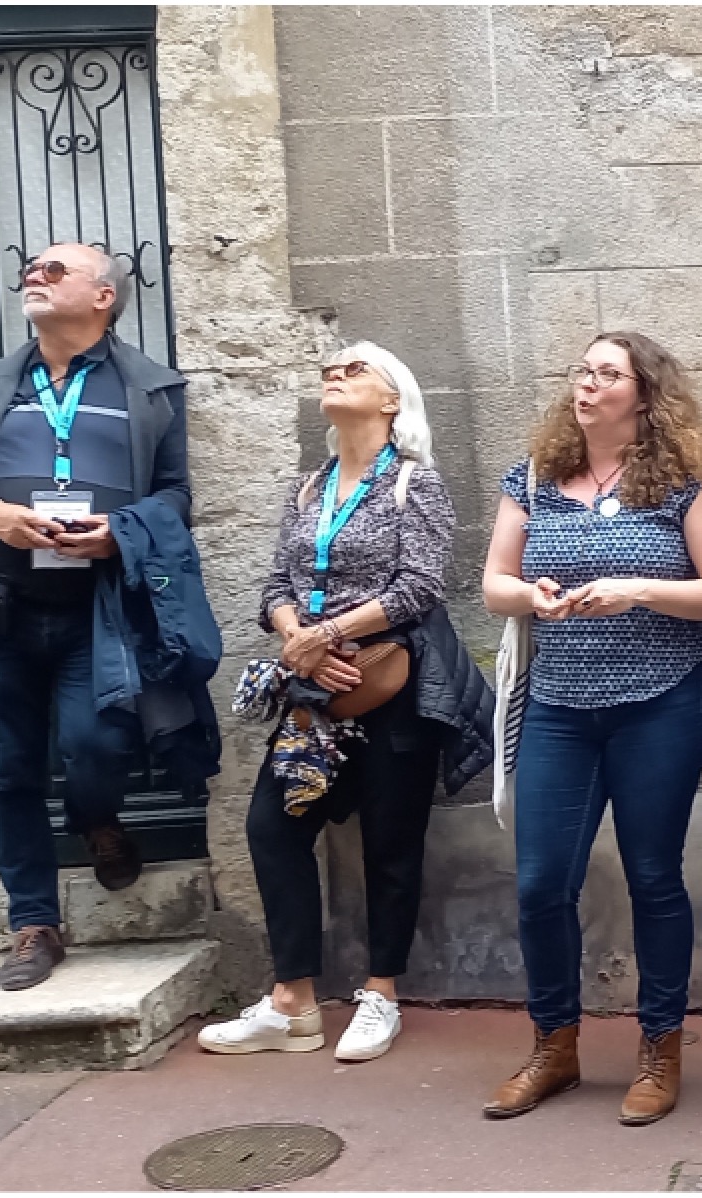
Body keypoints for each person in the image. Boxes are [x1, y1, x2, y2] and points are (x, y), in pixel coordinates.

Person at [0, 242, 202, 991]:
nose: (32, 277)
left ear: (103, 296)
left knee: (95, 745)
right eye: (30, 269)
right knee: (6, 767)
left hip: (97, 613)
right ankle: (34, 922)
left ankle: (97, 818)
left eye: (53, 270)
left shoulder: (150, 389)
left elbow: (176, 497)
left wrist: (121, 532)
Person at [480, 331, 702, 1126]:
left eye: (607, 373)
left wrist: (638, 589)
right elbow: (495, 583)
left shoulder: (688, 485)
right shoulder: (533, 478)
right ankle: (554, 1046)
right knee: (540, 884)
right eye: (583, 371)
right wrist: (532, 597)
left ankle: (660, 1049)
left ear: (643, 395)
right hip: (560, 708)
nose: (587, 384)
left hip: (660, 704)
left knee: (653, 876)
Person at [198, 342, 475, 1064]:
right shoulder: (308, 489)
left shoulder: (415, 483)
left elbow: (420, 586)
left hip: (389, 683)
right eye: (330, 369)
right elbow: (274, 587)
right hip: (315, 692)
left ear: (392, 401)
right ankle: (292, 1002)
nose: (336, 374)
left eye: (356, 370)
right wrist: (298, 638)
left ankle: (381, 993)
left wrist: (329, 634)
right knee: (272, 828)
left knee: (391, 840)